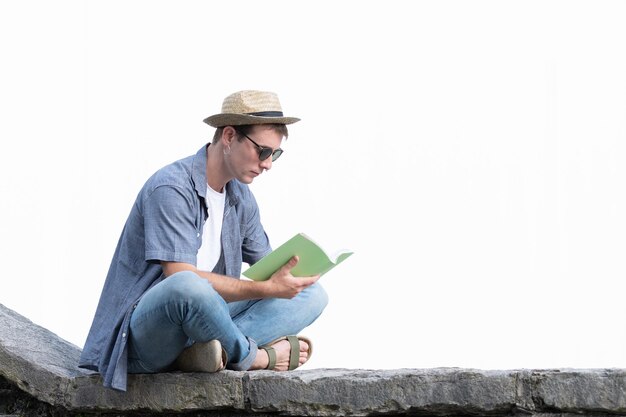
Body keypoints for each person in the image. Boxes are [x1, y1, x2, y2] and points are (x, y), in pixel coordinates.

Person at [78, 90, 328, 391]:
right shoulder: (171, 188)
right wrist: (263, 291)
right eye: (262, 151)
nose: (267, 164)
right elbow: (179, 278)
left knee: (312, 294)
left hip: (205, 322)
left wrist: (292, 273)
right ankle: (254, 356)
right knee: (188, 284)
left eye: (275, 154)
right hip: (147, 336)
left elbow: (268, 270)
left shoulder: (241, 198)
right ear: (229, 136)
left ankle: (210, 353)